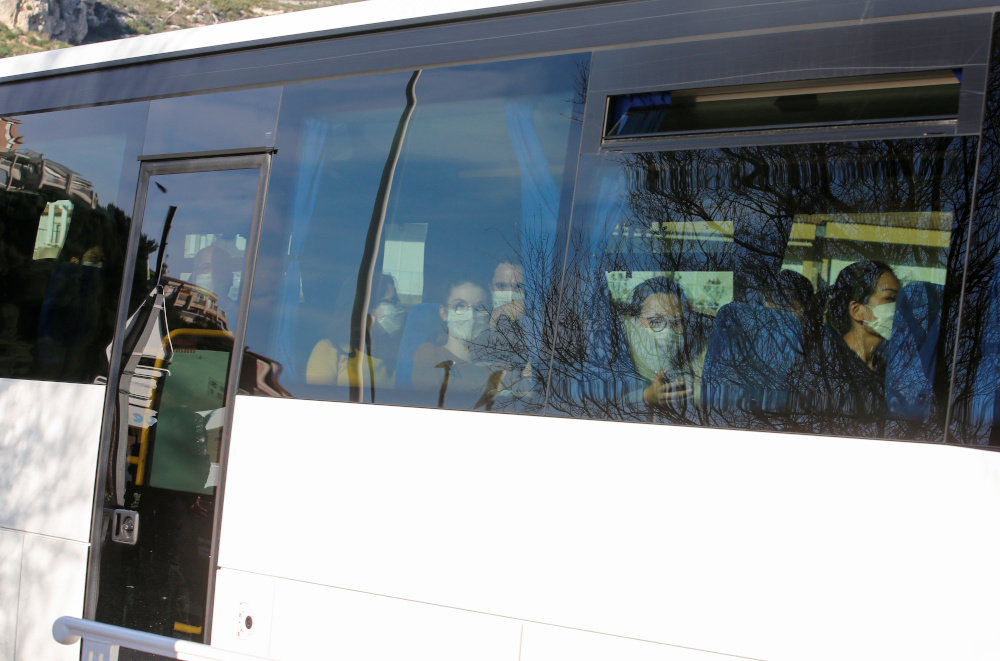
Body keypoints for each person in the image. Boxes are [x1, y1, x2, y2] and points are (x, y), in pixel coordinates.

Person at [792, 260, 900, 419]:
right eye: (890, 298)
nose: (899, 307)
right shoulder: (822, 367)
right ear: (857, 310)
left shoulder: (889, 368)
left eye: (901, 299)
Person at [412, 278, 498, 408]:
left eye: (480, 307)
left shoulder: (497, 362)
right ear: (444, 313)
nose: (470, 315)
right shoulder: (429, 353)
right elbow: (443, 395)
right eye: (460, 305)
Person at [625, 276, 706, 410]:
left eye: (677, 322)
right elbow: (603, 404)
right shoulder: (618, 358)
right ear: (636, 321)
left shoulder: (699, 359)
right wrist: (644, 397)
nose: (667, 331)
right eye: (656, 321)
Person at [305, 275, 400, 388]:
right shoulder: (329, 349)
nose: (397, 308)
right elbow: (318, 396)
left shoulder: (400, 351)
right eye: (392, 301)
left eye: (397, 301)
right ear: (367, 306)